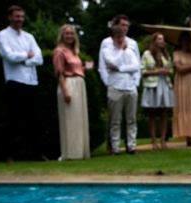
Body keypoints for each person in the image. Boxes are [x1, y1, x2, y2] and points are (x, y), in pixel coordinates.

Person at [0, 5, 46, 163]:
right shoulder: (3, 35)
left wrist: (25, 59)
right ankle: (9, 154)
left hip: (32, 81)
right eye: (17, 16)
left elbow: (39, 59)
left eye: (22, 17)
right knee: (13, 119)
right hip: (15, 81)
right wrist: (27, 55)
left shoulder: (29, 37)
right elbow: (9, 56)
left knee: (34, 120)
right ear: (10, 17)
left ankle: (38, 153)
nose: (20, 19)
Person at [98, 14, 140, 154]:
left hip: (130, 86)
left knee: (131, 119)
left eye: (122, 36)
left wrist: (121, 69)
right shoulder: (106, 48)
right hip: (115, 86)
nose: (121, 39)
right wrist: (108, 83)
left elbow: (135, 66)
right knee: (115, 120)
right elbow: (110, 63)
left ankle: (132, 146)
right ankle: (115, 148)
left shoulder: (130, 47)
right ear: (112, 37)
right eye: (118, 36)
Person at [53, 25, 90, 161]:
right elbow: (59, 72)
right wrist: (65, 91)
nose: (69, 36)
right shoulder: (59, 51)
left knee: (79, 119)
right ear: (62, 36)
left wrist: (84, 69)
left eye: (71, 34)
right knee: (70, 120)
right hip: (68, 84)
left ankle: (80, 152)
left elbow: (74, 70)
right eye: (67, 34)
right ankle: (71, 153)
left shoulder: (74, 52)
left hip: (79, 84)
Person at [140, 33, 175, 150]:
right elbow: (142, 70)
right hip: (152, 85)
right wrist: (156, 72)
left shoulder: (166, 54)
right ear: (154, 41)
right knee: (153, 112)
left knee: (164, 112)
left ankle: (163, 140)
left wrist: (167, 72)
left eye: (163, 39)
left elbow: (171, 70)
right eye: (160, 39)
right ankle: (153, 140)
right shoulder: (147, 54)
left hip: (164, 83)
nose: (162, 41)